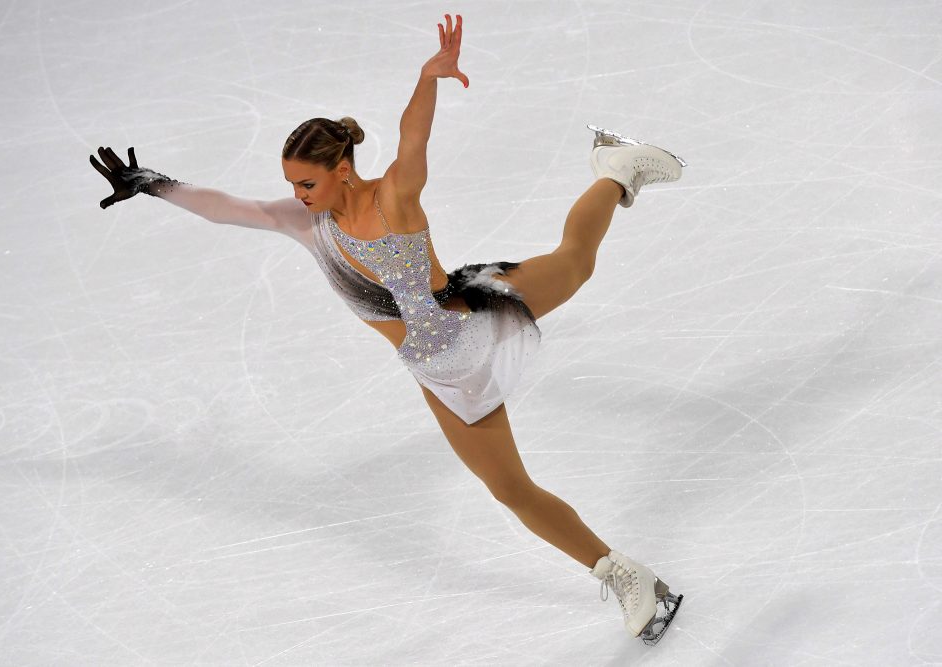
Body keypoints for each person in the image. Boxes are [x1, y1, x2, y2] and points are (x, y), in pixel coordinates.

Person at [89, 13, 685, 646]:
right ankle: (628, 577)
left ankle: (616, 169)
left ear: (343, 168)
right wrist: (152, 184)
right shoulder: (305, 222)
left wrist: (428, 77)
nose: (298, 194)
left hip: (474, 317)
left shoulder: (394, 197)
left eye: (308, 182)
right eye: (292, 184)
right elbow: (226, 210)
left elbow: (413, 139)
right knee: (510, 488)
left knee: (575, 261)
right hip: (445, 371)